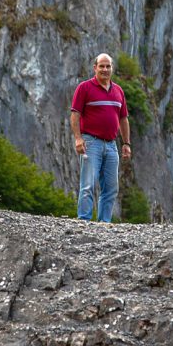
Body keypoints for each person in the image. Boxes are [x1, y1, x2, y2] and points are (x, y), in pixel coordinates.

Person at [70, 53, 132, 222]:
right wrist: (78, 138)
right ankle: (84, 220)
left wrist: (126, 143)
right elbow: (75, 114)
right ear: (95, 68)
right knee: (88, 185)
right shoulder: (84, 88)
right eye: (101, 66)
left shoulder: (118, 90)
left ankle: (104, 224)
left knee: (111, 188)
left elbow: (123, 118)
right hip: (91, 142)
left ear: (112, 68)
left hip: (112, 145)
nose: (105, 69)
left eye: (108, 66)